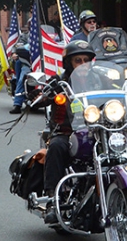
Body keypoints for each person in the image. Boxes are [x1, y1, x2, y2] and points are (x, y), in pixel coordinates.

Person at [37, 40, 96, 222]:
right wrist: (44, 95)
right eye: (78, 60)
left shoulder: (100, 80)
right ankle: (53, 201)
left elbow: (121, 89)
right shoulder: (59, 82)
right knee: (56, 147)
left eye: (86, 60)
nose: (83, 64)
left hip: (97, 132)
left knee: (124, 144)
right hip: (66, 133)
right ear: (69, 63)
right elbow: (41, 97)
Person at [9, 44, 32, 114]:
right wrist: (15, 53)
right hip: (27, 64)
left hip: (46, 63)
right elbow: (19, 47)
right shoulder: (25, 37)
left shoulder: (58, 38)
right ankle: (17, 104)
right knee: (22, 80)